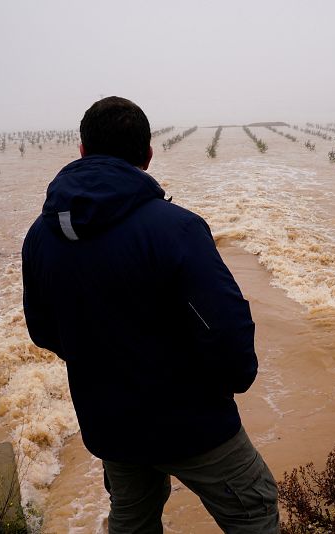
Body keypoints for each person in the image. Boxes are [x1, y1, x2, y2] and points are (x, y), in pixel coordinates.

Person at [21, 96, 278, 533]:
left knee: (131, 521)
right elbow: (225, 327)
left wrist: (104, 366)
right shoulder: (175, 228)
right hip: (194, 423)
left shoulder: (40, 237)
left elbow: (43, 331)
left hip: (109, 425)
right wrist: (235, 380)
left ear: (81, 151)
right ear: (147, 155)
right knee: (253, 511)